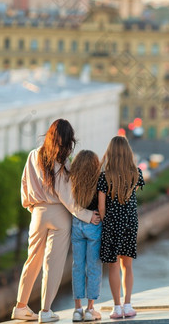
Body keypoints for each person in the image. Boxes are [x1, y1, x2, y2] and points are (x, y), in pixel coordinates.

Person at [11, 119, 101, 323]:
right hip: (59, 215)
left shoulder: (33, 155)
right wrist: (88, 216)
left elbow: (24, 184)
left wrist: (32, 207)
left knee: (31, 261)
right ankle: (45, 311)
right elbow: (68, 199)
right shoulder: (62, 164)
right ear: (68, 141)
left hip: (38, 214)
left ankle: (21, 307)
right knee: (53, 264)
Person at [98, 135, 145, 320]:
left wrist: (105, 222)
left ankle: (116, 308)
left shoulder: (104, 177)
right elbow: (133, 195)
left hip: (111, 224)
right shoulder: (136, 173)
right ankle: (128, 305)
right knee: (128, 266)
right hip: (130, 223)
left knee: (113, 266)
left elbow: (101, 206)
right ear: (127, 153)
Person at [70, 150, 102, 322]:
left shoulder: (72, 180)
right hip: (94, 225)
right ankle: (90, 309)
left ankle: (77, 309)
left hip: (76, 224)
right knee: (93, 267)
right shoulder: (99, 180)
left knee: (77, 267)